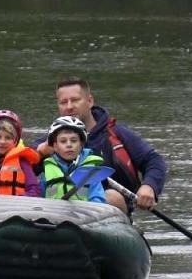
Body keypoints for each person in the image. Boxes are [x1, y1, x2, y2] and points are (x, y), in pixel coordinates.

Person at [54, 77, 167, 212]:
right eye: (63, 102)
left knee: (110, 196)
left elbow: (154, 160)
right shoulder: (51, 141)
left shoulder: (117, 133)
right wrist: (40, 153)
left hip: (112, 213)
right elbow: (26, 162)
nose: (69, 107)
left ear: (89, 101)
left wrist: (149, 186)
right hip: (62, 210)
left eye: (75, 100)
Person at [40, 116, 109, 204]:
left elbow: (98, 198)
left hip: (83, 215)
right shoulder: (47, 171)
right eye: (63, 141)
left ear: (81, 144)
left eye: (73, 140)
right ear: (55, 146)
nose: (69, 145)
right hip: (54, 215)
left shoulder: (90, 171)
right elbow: (39, 200)